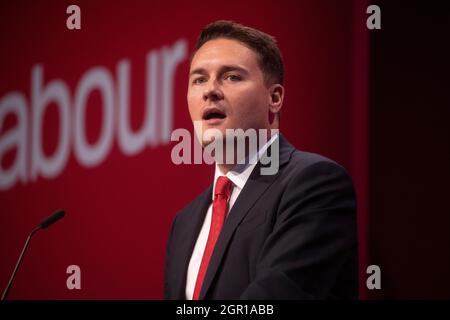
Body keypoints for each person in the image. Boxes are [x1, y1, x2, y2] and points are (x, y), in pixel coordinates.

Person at [164, 20, 357, 300]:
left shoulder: (314, 183)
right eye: (199, 79)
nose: (210, 90)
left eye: (231, 76)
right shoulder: (184, 223)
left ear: (275, 97)